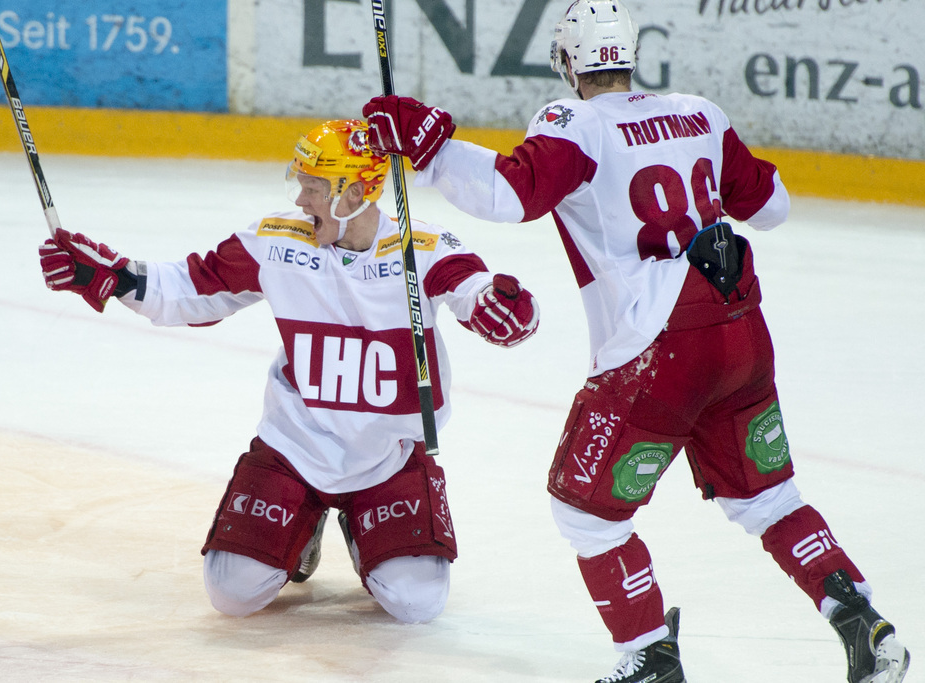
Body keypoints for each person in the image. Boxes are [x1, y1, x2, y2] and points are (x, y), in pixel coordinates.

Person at [361, 1, 910, 681]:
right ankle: (866, 626)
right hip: (741, 332)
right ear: (629, 54)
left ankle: (648, 652)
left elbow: (512, 194)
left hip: (658, 350)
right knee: (769, 499)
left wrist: (431, 147)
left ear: (567, 62)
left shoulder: (577, 121)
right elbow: (772, 205)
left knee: (584, 510)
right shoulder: (700, 114)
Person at [37, 119, 540, 624]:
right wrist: (114, 276)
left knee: (416, 603)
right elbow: (190, 287)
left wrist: (504, 311)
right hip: (294, 449)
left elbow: (476, 290)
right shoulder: (276, 240)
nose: (302, 200)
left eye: (315, 187)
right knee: (232, 594)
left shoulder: (424, 248)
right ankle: (304, 527)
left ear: (357, 192)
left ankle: (361, 529)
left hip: (389, 456)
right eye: (300, 183)